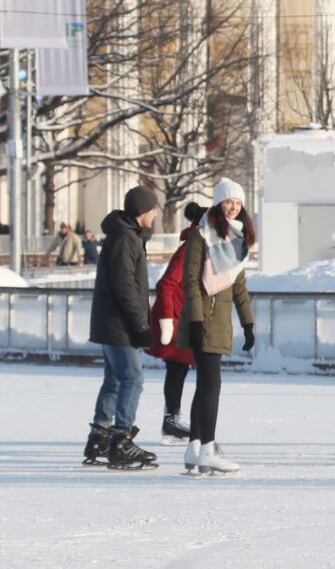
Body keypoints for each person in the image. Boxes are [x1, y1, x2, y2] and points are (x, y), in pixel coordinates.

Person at [177, 178, 256, 476]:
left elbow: (239, 288)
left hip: (220, 321)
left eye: (237, 203)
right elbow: (190, 281)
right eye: (228, 202)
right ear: (218, 204)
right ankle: (208, 449)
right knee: (211, 385)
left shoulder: (238, 240)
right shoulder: (201, 236)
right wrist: (196, 321)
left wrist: (248, 323)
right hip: (204, 319)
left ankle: (195, 446)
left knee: (205, 385)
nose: (233, 207)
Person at [82, 186, 161, 470]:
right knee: (132, 378)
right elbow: (125, 287)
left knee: (115, 379)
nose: (155, 214)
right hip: (119, 324)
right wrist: (141, 325)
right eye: (153, 208)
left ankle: (100, 437)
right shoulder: (126, 238)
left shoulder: (125, 235)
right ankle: (121, 439)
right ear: (142, 211)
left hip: (111, 321)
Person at [147, 202, 205, 444]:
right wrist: (167, 321)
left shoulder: (199, 245)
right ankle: (173, 419)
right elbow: (166, 283)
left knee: (178, 368)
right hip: (177, 318)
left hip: (184, 315)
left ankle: (172, 418)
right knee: (179, 367)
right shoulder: (191, 248)